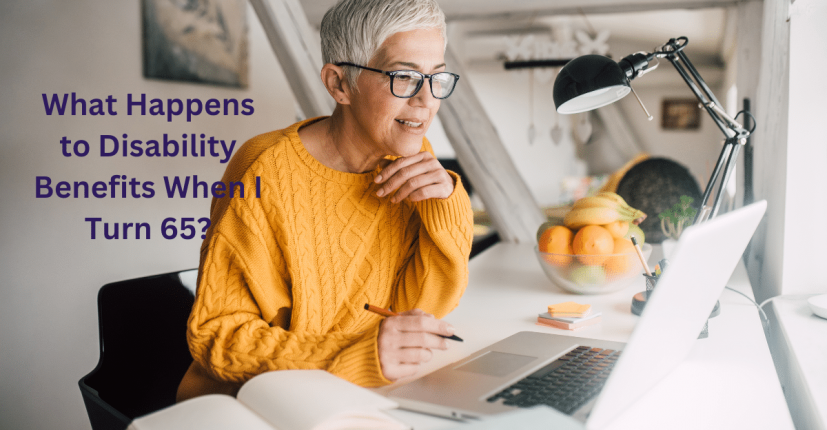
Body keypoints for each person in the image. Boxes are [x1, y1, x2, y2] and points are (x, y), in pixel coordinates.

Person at [176, 0, 473, 402]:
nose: (426, 101)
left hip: (353, 393)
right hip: (251, 403)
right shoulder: (262, 168)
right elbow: (218, 337)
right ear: (339, 85)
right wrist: (350, 356)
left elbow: (422, 307)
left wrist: (445, 201)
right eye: (404, 77)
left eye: (437, 78)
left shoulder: (410, 156)